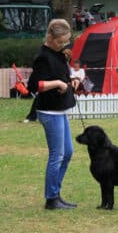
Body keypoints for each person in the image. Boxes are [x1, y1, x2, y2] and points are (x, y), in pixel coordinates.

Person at [27, 19, 80, 210]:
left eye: (66, 42)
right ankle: (51, 199)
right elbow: (34, 86)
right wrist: (57, 83)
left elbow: (62, 74)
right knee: (57, 155)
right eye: (60, 41)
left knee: (68, 153)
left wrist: (71, 79)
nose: (63, 45)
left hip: (60, 110)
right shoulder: (43, 56)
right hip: (49, 111)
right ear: (50, 37)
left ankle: (56, 193)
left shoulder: (59, 54)